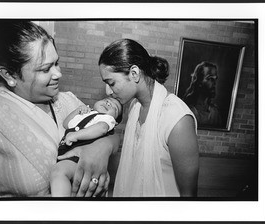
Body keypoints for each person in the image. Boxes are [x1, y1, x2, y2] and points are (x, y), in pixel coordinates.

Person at [0, 20, 120, 197]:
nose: (58, 74)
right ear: (9, 74)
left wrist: (102, 148)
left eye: (56, 63)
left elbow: (112, 133)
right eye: (45, 69)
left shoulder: (67, 101)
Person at [98, 39, 199, 197]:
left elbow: (189, 195)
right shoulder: (135, 106)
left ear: (134, 73)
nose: (108, 91)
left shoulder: (178, 120)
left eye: (111, 83)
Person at [50, 97, 122, 197]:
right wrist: (77, 111)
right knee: (64, 180)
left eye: (115, 107)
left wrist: (76, 135)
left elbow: (102, 128)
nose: (109, 103)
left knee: (59, 172)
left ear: (115, 121)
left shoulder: (107, 119)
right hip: (67, 153)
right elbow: (66, 124)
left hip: (81, 158)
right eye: (106, 100)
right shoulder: (85, 114)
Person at [182, 61, 222, 127]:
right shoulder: (188, 109)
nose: (214, 84)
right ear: (199, 81)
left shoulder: (215, 112)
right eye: (210, 79)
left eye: (215, 79)